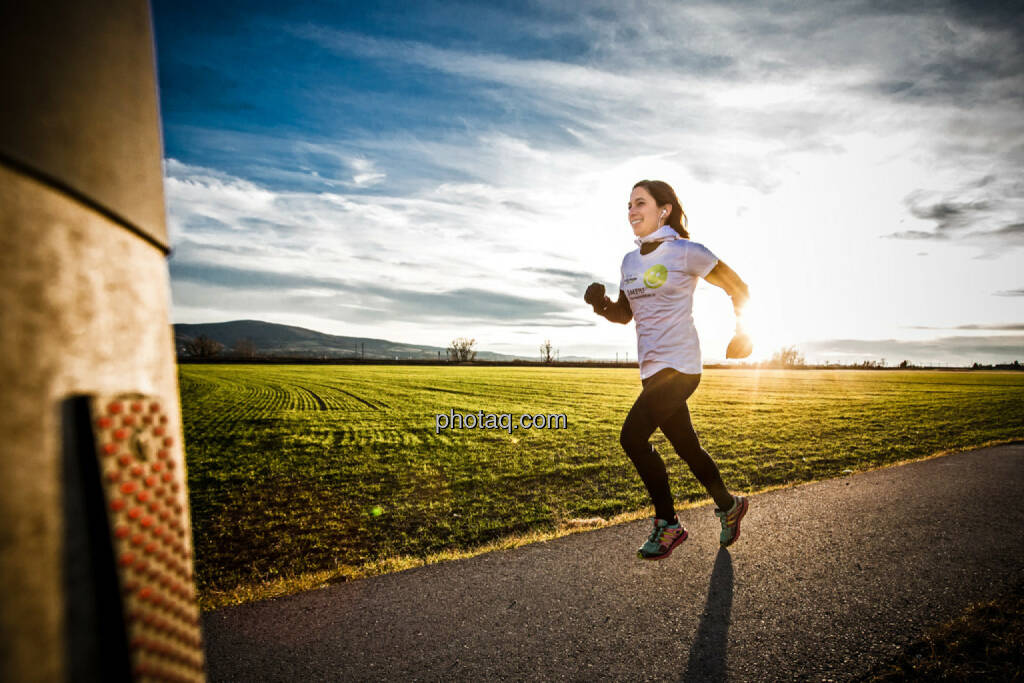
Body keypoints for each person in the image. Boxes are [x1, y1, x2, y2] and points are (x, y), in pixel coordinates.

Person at [584, 179, 752, 560]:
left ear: (665, 210)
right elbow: (624, 315)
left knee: (632, 438)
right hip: (651, 370)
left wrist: (744, 332)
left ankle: (668, 523)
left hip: (681, 367)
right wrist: (601, 304)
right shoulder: (629, 261)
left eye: (639, 203)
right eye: (628, 205)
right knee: (687, 447)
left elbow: (737, 286)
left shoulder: (686, 253)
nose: (631, 211)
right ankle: (729, 505)